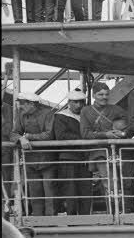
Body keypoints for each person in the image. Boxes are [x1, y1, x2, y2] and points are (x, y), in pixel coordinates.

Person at [79, 82, 128, 211]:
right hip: (99, 152)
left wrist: (121, 132)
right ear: (94, 95)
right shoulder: (86, 111)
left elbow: (128, 126)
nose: (104, 97)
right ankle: (112, 212)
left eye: (106, 94)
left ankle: (120, 211)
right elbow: (85, 133)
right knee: (109, 183)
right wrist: (106, 134)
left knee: (122, 182)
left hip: (118, 151)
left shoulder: (116, 109)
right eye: (100, 94)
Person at [11, 96, 58, 217]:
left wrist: (28, 137)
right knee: (34, 192)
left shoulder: (48, 113)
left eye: (22, 104)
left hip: (47, 159)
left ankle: (51, 221)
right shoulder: (21, 115)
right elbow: (13, 133)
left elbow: (49, 135)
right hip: (30, 160)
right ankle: (37, 220)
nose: (20, 106)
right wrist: (21, 138)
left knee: (50, 192)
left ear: (31, 104)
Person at [50, 88, 90, 217]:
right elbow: (61, 136)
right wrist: (85, 137)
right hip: (68, 157)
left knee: (85, 188)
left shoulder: (85, 115)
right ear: (69, 102)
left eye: (81, 102)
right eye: (75, 102)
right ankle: (72, 217)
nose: (79, 105)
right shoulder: (60, 116)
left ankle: (85, 217)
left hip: (83, 157)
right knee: (70, 188)